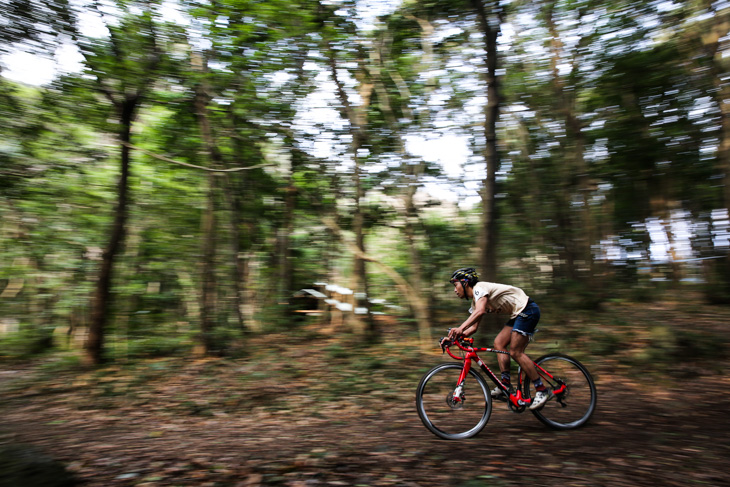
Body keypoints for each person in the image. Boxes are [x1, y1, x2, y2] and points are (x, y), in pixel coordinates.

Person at [446, 267, 552, 410]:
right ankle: (506, 385)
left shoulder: (479, 288)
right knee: (499, 343)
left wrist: (460, 328)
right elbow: (473, 328)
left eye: (455, 284)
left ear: (465, 283)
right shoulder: (476, 301)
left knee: (516, 352)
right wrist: (453, 339)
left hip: (527, 310)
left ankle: (541, 390)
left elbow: (480, 311)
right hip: (517, 314)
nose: (454, 289)